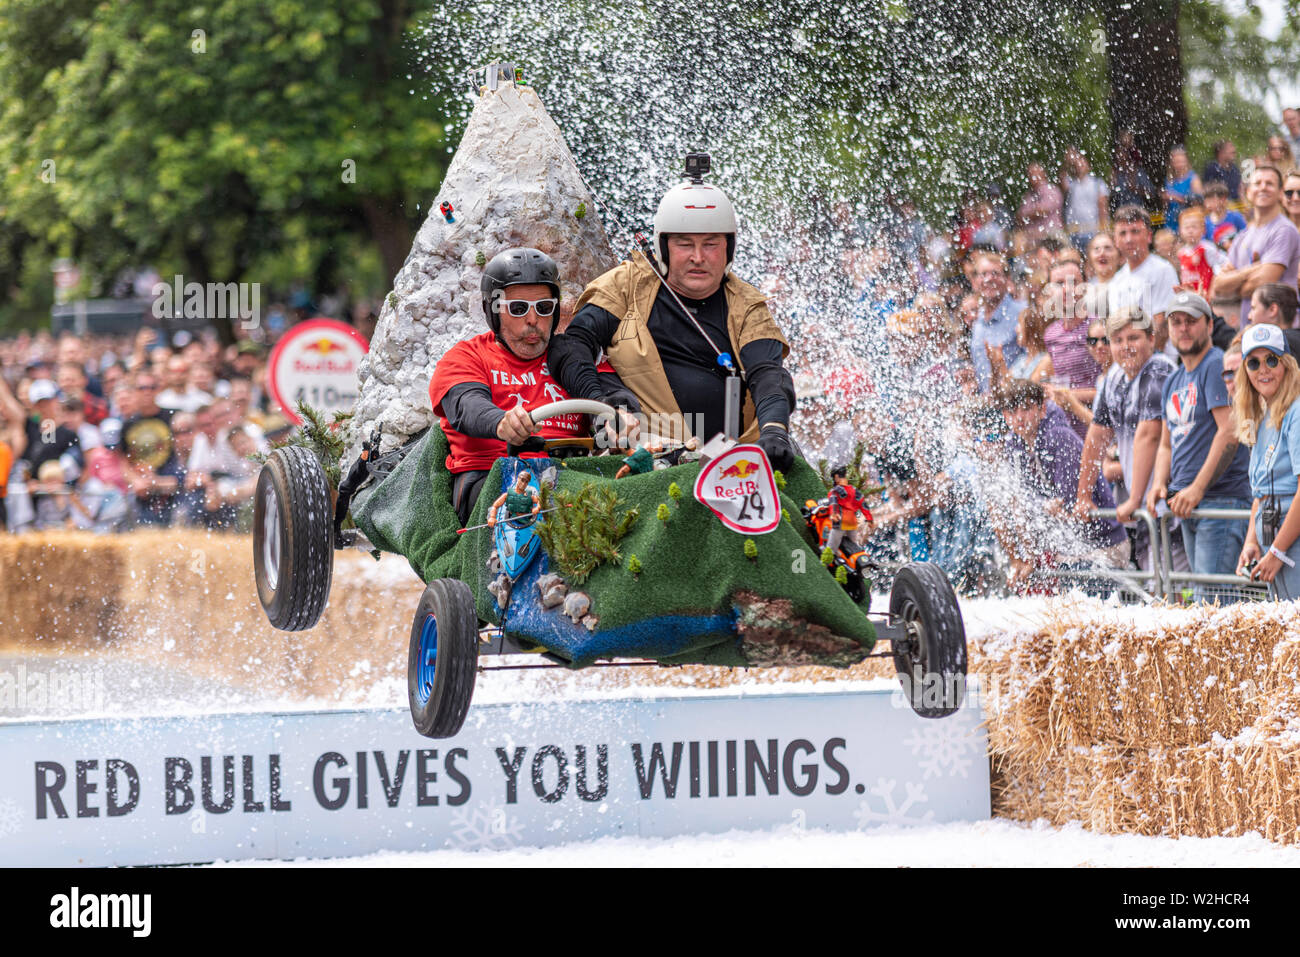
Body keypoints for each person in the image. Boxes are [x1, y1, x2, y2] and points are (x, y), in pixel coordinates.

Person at [547, 160, 797, 470]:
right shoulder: (625, 285)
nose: (698, 257)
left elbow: (768, 374)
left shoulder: (747, 305)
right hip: (648, 459)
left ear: (728, 250)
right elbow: (571, 345)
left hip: (733, 463)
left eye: (710, 244)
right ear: (662, 246)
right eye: (684, 244)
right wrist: (602, 404)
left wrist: (775, 429)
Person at [430, 248, 588, 525]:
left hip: (574, 477)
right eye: (518, 309)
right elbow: (466, 405)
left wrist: (620, 417)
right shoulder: (466, 356)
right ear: (492, 311)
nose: (532, 320)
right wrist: (500, 422)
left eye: (544, 308)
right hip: (491, 481)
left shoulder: (576, 359)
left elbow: (610, 396)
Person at [1147, 292, 1252, 601]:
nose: (1183, 329)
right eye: (1176, 322)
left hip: (1220, 501)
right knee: (1205, 601)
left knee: (1214, 603)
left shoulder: (1216, 364)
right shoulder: (1174, 377)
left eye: (1191, 321)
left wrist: (1197, 488)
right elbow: (1166, 443)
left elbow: (1230, 431)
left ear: (1208, 324)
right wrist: (1158, 483)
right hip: (1189, 502)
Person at [992, 378, 1129, 582]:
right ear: (1005, 416)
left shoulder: (1060, 438)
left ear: (1042, 409)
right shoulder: (1014, 445)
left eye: (1026, 408)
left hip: (1103, 544)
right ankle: (1022, 562)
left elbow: (1067, 504)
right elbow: (1022, 502)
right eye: (1012, 412)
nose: (1020, 417)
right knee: (999, 504)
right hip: (1068, 548)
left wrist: (1042, 507)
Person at [1075, 306, 1175, 570]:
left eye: (1133, 338)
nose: (1125, 347)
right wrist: (1083, 495)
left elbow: (1149, 435)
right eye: (1117, 340)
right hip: (1140, 504)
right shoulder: (1113, 379)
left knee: (1174, 588)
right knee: (1154, 586)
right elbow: (1096, 437)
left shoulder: (1160, 369)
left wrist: (1134, 499)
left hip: (1166, 502)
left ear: (1151, 339)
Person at [1234, 323, 1300, 600]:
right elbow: (1260, 494)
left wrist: (1277, 550)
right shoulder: (1259, 415)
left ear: (1286, 364)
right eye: (1253, 362)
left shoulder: (1296, 411)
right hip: (1274, 534)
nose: (1263, 369)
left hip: (1290, 539)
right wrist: (1252, 540)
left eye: (1271, 359)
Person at [1212, 165, 1300, 329]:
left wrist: (1235, 286)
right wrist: (1250, 270)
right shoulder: (1241, 237)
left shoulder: (1284, 230)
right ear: (1248, 192)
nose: (1263, 187)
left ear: (1280, 193)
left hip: (1281, 333)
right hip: (1250, 331)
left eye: (1269, 183)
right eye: (1257, 183)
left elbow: (1262, 283)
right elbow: (1218, 286)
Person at [1109, 206, 1178, 358]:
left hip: (1159, 359)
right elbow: (1116, 329)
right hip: (1128, 362)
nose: (1128, 239)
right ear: (1116, 240)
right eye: (1123, 233)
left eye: (1135, 231)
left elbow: (1163, 326)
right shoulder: (1116, 280)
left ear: (1148, 236)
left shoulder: (1162, 270)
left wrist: (1142, 361)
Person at [965, 251, 1026, 392]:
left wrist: (1008, 383)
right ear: (975, 282)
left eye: (995, 274)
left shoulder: (1022, 312)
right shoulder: (977, 321)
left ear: (1008, 280)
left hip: (1015, 402)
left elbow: (1034, 358)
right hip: (987, 403)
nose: (989, 279)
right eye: (983, 274)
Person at [1062, 147, 1109, 255]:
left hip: (1092, 230)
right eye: (1077, 165)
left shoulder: (1097, 183)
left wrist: (1103, 229)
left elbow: (1103, 207)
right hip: (1074, 232)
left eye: (1082, 164)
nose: (1079, 167)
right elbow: (1062, 178)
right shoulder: (1072, 184)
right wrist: (1067, 161)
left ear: (1088, 166)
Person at [1175, 207, 1225, 296]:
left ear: (1203, 229)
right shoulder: (1181, 252)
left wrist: (1213, 288)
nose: (1190, 231)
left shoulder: (1207, 249)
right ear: (1180, 231)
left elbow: (1222, 264)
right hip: (1190, 297)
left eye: (1194, 227)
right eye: (1186, 227)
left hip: (1207, 296)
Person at [1017, 162, 1064, 240]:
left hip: (1051, 233)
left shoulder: (1051, 190)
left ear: (1043, 174)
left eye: (1035, 173)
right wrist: (1033, 212)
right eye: (1030, 174)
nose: (1032, 176)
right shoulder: (1029, 195)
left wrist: (1029, 214)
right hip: (1032, 236)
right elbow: (1019, 216)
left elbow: (1042, 211)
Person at [1163, 146, 1203, 230]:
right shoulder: (1169, 179)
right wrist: (1164, 198)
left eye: (1181, 161)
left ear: (1186, 162)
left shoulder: (1193, 178)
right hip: (1171, 220)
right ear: (1172, 163)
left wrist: (1177, 198)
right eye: (1176, 162)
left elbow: (1199, 202)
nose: (1179, 164)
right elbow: (1166, 205)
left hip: (1188, 221)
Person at [1203, 182, 1247, 249]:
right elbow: (1203, 244)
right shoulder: (1206, 222)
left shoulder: (1235, 217)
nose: (1207, 204)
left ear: (1223, 199)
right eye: (1206, 201)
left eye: (1211, 200)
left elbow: (1246, 236)